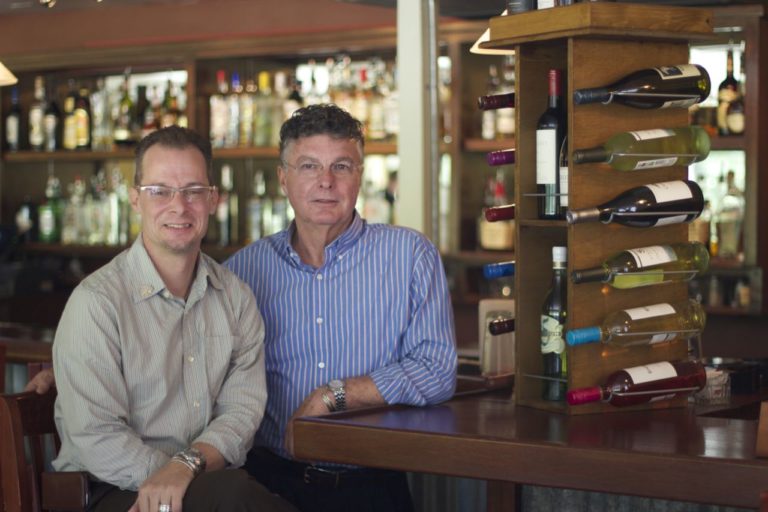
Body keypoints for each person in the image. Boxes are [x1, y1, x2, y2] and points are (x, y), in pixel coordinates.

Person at [48, 126, 295, 512]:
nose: (179, 207)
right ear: (134, 199)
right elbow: (97, 435)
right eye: (160, 191)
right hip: (111, 489)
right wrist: (171, 477)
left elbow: (242, 412)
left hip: (204, 482)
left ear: (213, 199)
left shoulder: (236, 298)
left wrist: (186, 467)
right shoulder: (96, 304)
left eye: (193, 191)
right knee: (236, 498)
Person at [224, 104, 457, 511]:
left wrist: (334, 395)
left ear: (360, 176)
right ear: (283, 178)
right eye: (309, 166)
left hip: (372, 485)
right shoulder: (242, 271)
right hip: (266, 484)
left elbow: (437, 370)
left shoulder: (410, 256)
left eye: (342, 166)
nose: (326, 182)